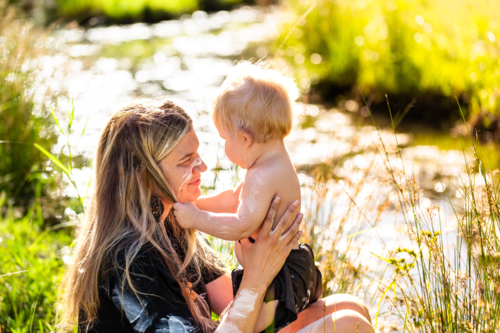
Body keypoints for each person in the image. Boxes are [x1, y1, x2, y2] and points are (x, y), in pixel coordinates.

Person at [58, 100, 374, 333]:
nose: (203, 168)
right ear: (144, 176)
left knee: (348, 307)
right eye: (186, 161)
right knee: (348, 325)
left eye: (197, 154)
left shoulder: (170, 226)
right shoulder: (129, 260)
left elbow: (230, 300)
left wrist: (281, 259)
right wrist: (256, 280)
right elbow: (246, 298)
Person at [173, 62, 321, 332]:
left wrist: (195, 218)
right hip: (290, 271)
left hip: (281, 277)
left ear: (244, 139)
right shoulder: (270, 164)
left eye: (224, 139)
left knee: (249, 328)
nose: (224, 146)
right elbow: (232, 199)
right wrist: (195, 204)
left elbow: (242, 225)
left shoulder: (264, 174)